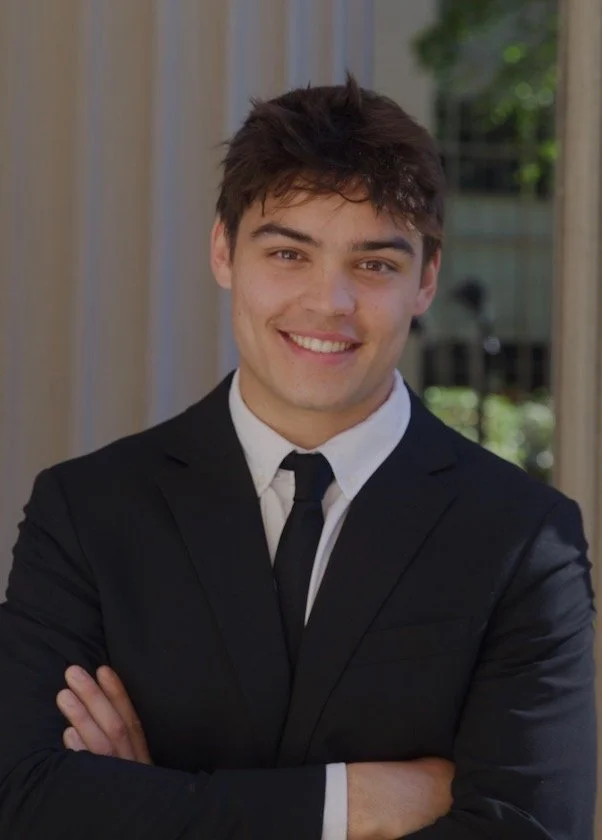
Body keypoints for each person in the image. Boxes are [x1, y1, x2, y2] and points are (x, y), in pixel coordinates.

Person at [0, 75, 595, 840]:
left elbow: (529, 832)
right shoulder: (86, 512)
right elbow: (24, 803)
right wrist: (351, 804)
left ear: (426, 279)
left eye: (374, 265)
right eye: (288, 253)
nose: (328, 303)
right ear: (224, 251)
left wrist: (149, 806)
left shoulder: (525, 539)